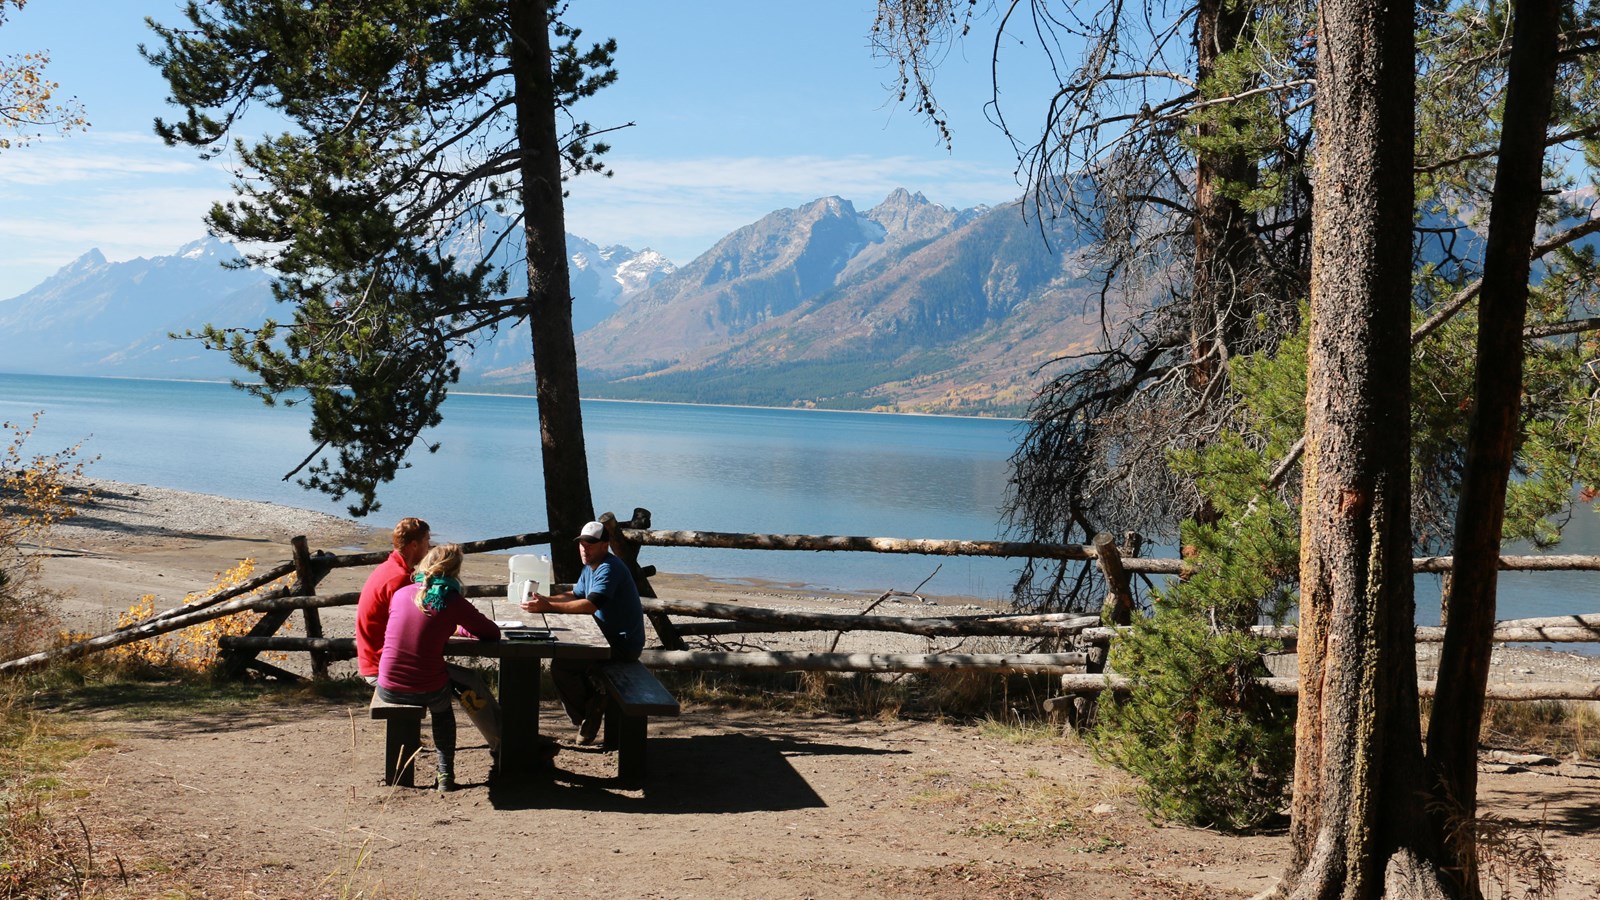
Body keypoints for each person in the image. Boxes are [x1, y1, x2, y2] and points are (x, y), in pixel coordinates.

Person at [378, 544, 500, 792]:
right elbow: (491, 632)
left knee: (440, 674)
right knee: (444, 710)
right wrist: (462, 627)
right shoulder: (451, 599)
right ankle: (446, 772)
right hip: (426, 686)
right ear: (455, 571)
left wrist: (454, 627)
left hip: (388, 684)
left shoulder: (402, 594)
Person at [521, 520, 646, 745]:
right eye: (581, 543)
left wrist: (548, 607)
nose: (584, 548)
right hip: (605, 639)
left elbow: (590, 605)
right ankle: (591, 709)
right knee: (565, 663)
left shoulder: (610, 568)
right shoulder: (591, 567)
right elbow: (576, 595)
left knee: (563, 665)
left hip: (621, 645)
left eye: (590, 543)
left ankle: (590, 711)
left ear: (604, 545)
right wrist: (545, 599)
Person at [356, 517, 431, 685]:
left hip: (375, 660)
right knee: (446, 681)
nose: (430, 547)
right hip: (383, 666)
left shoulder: (388, 568)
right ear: (414, 545)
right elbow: (414, 627)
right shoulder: (399, 579)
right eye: (427, 540)